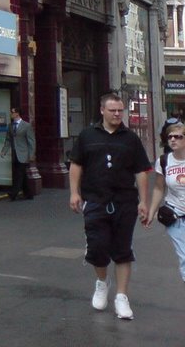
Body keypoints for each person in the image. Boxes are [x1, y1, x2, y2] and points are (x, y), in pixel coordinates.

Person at [68, 93, 151, 320]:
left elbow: (141, 171)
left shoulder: (130, 138)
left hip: (124, 201)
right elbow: (76, 166)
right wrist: (74, 193)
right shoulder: (87, 136)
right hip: (95, 200)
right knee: (98, 247)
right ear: (102, 110)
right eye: (113, 110)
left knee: (123, 250)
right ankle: (102, 282)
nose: (117, 114)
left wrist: (144, 201)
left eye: (120, 110)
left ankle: (122, 297)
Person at [146, 120, 185, 288]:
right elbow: (158, 188)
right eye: (170, 137)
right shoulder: (164, 161)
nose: (173, 140)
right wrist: (151, 211)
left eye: (178, 137)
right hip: (175, 216)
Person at [1, 105, 36, 200]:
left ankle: (14, 193)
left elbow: (31, 141)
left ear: (17, 113)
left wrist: (31, 155)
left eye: (12, 112)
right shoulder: (10, 126)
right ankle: (29, 194)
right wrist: (4, 151)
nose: (10, 114)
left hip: (24, 154)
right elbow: (8, 140)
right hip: (15, 154)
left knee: (19, 174)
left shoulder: (27, 126)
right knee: (22, 175)